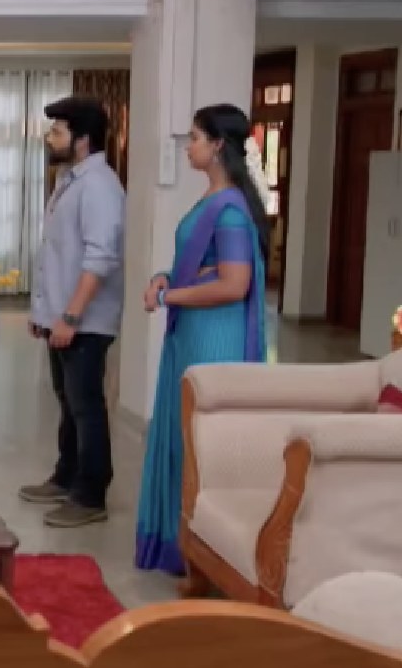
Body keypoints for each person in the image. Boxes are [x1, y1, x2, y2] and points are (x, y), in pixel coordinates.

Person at [135, 103, 270, 575]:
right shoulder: (213, 200)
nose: (187, 146)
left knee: (201, 445)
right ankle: (180, 544)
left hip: (215, 339)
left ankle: (204, 554)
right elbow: (199, 267)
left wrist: (170, 295)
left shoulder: (229, 209)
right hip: (194, 332)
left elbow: (234, 284)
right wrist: (164, 276)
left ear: (217, 145)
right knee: (184, 437)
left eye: (194, 138)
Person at [17, 96, 125, 528]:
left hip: (84, 322)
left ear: (82, 139)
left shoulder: (100, 186)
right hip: (62, 318)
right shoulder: (70, 180)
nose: (50, 138)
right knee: (68, 401)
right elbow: (57, 253)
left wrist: (71, 317)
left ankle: (90, 494)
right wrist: (44, 313)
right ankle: (66, 476)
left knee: (86, 406)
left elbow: (100, 259)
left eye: (58, 131)